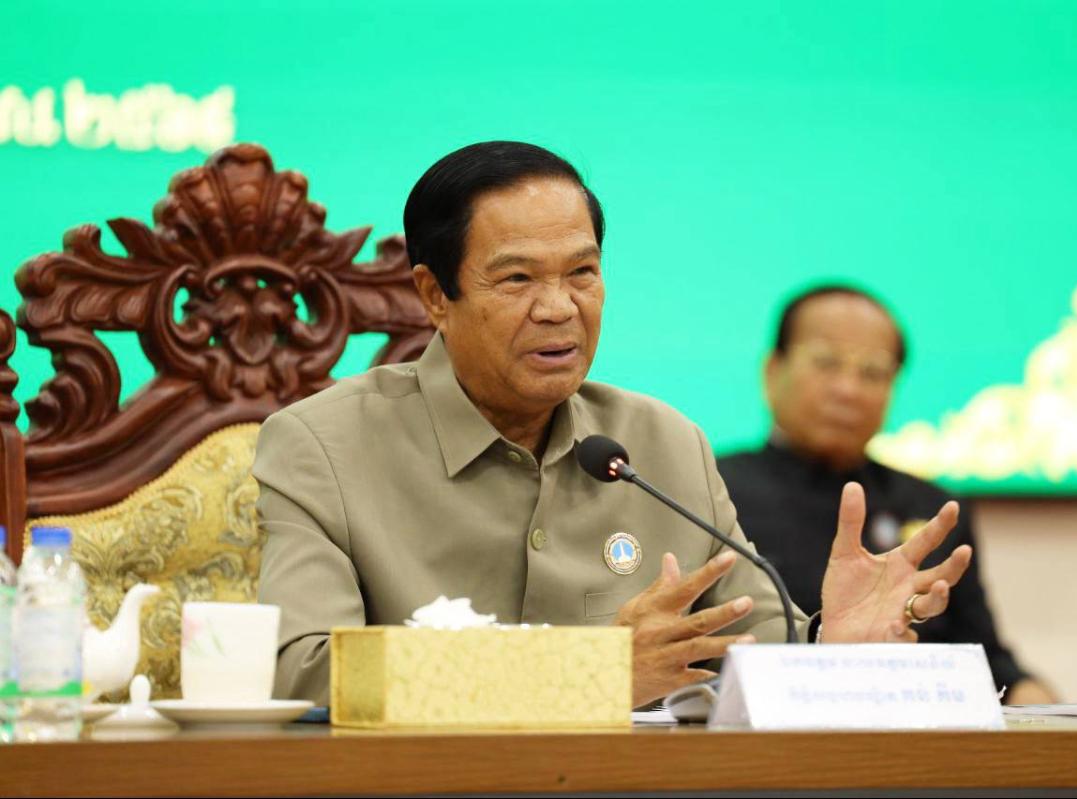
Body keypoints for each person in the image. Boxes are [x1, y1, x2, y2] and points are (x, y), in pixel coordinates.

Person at [253, 143, 972, 708]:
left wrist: (829, 650)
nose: (559, 308)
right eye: (518, 279)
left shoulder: (663, 443)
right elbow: (303, 669)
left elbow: (753, 643)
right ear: (435, 295)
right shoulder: (323, 446)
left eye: (582, 273)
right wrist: (587, 671)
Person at [717, 286, 1057, 704]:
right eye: (826, 362)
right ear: (773, 371)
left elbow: (988, 662)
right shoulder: (713, 492)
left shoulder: (934, 510)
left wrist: (1046, 708)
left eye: (873, 372)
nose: (848, 389)